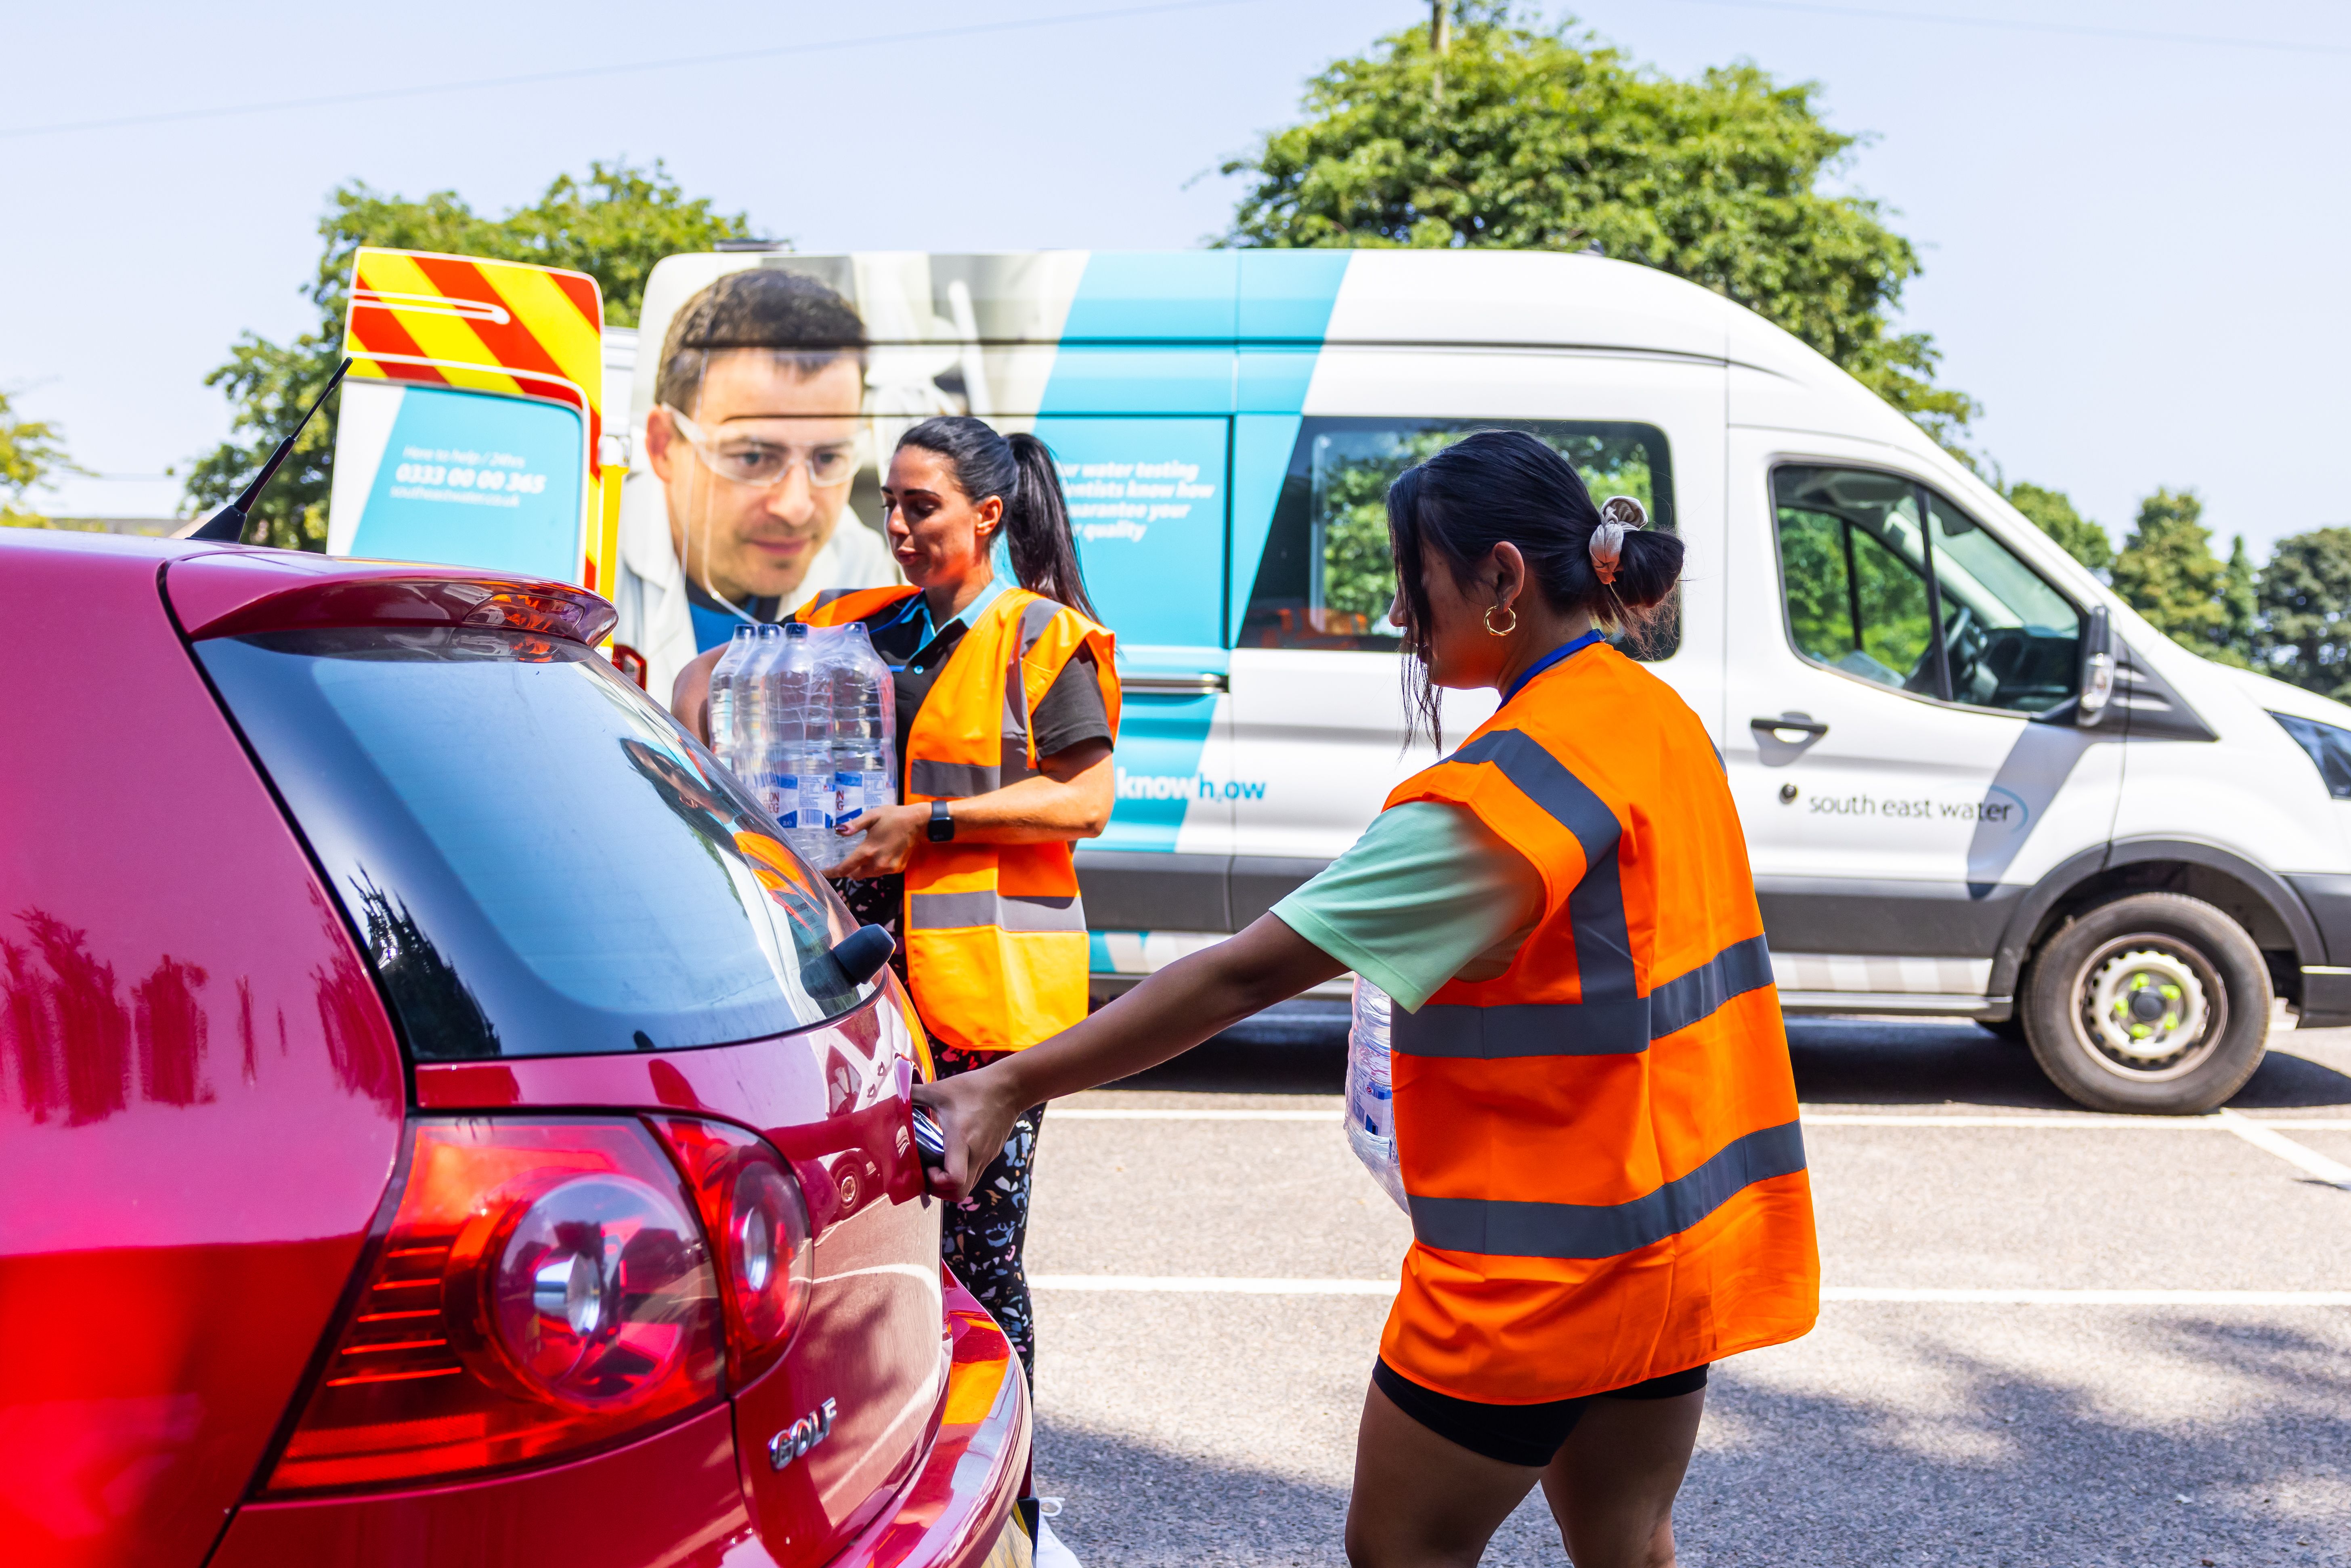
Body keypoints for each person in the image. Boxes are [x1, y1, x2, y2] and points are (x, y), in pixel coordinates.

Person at [915, 430, 1820, 1568]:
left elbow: (1245, 971)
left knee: (1398, 1551)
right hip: (1670, 1246)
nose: (1401, 612)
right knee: (1629, 1545)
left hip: (1529, 1285)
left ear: (1500, 576)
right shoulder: (1653, 720)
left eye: (1414, 579)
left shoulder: (1500, 790)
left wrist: (1004, 1084)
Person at [684, 414, 1117, 1381]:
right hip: (856, 991)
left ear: (988, 514)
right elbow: (713, 674)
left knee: (980, 1258)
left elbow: (1084, 797)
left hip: (982, 1007)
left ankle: (1011, 1497)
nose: (899, 525)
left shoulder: (1042, 635)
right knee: (864, 1244)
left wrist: (927, 824)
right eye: (892, 504)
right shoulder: (864, 620)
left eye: (922, 506)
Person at [612, 267, 898, 702]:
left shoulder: (859, 570)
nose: (797, 507)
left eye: (828, 457)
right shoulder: (590, 562)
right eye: (753, 457)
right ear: (664, 445)